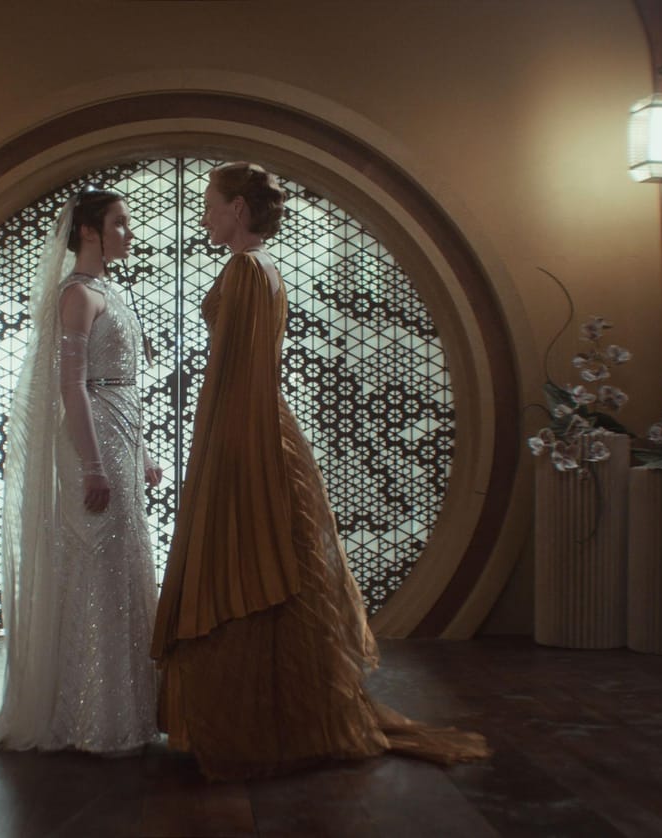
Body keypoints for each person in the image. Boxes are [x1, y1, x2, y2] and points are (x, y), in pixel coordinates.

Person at [151, 162, 489, 780]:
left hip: (249, 431)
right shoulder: (261, 268)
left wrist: (220, 455)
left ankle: (261, 725)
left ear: (238, 210)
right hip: (259, 425)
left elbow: (238, 373)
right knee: (279, 568)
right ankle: (283, 719)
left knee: (255, 560)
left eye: (210, 202)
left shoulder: (246, 270)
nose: (203, 214)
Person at [0, 188, 163, 754]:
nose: (128, 234)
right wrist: (93, 465)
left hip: (121, 432)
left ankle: (130, 709)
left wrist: (141, 453)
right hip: (93, 441)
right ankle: (92, 716)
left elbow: (122, 382)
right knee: (97, 564)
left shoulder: (109, 290)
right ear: (89, 231)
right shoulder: (78, 295)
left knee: (124, 564)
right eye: (120, 224)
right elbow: (73, 387)